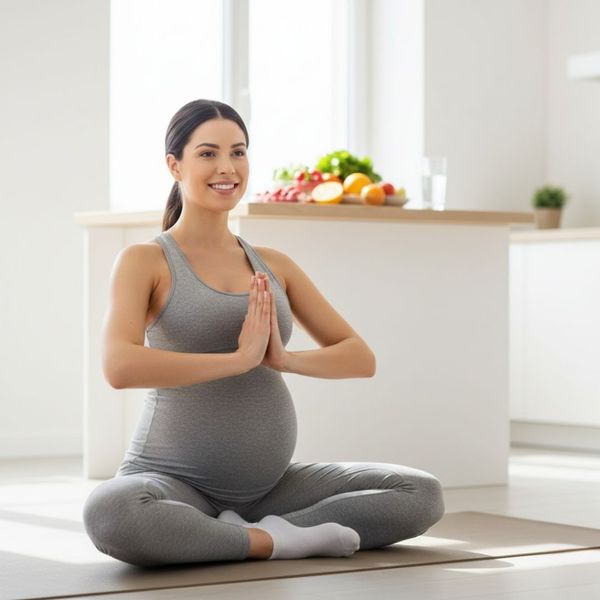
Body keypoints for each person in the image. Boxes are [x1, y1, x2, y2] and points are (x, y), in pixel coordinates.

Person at [82, 99, 445, 567]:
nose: (227, 167)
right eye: (208, 153)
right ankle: (276, 543)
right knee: (111, 513)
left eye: (239, 152)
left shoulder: (274, 264)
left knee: (421, 493)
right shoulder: (145, 260)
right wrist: (236, 360)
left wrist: (283, 359)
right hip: (172, 481)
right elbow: (119, 366)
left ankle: (250, 534)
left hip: (272, 487)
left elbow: (359, 356)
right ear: (175, 165)